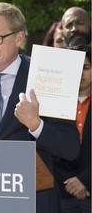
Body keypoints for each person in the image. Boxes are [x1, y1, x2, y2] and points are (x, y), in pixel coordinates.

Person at [0, 2, 81, 213]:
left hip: (35, 203)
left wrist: (37, 125)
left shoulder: (48, 74)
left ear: (19, 38)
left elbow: (71, 148)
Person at [53, 42, 91, 212]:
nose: (80, 73)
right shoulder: (51, 103)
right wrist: (70, 182)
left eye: (85, 67)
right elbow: (48, 145)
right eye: (75, 68)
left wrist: (85, 179)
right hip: (59, 191)